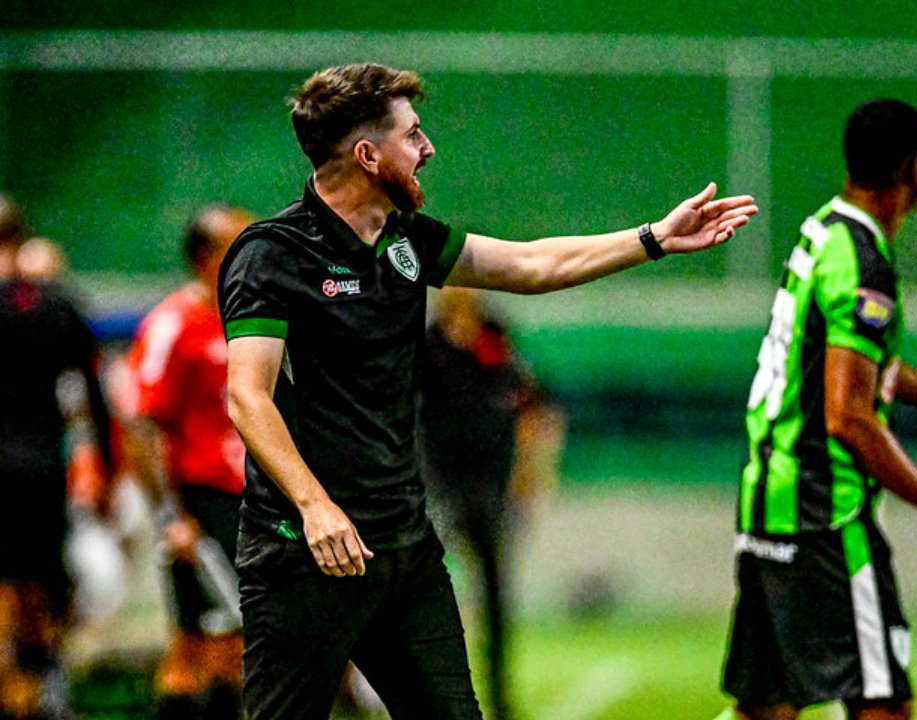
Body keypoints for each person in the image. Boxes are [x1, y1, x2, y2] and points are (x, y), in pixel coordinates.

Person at [218, 62, 756, 720]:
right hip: (304, 556)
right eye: (412, 135)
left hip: (403, 551)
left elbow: (531, 264)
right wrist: (314, 505)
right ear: (367, 154)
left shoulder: (406, 239)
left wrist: (653, 239)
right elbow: (249, 397)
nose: (427, 149)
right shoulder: (271, 255)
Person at [716, 99, 917, 720]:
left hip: (768, 508)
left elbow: (848, 367)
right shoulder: (864, 263)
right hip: (824, 519)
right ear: (916, 168)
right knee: (884, 704)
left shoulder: (823, 234)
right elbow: (849, 414)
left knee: (766, 710)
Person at [124, 205, 255, 719]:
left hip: (246, 497)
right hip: (202, 499)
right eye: (237, 246)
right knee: (205, 643)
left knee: (224, 644)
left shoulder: (247, 320)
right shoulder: (173, 324)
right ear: (206, 258)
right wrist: (170, 515)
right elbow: (141, 424)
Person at [419, 287, 563, 720]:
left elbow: (534, 407)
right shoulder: (427, 346)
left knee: (496, 599)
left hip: (490, 488)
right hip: (438, 487)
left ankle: (500, 697)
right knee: (422, 594)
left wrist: (532, 474)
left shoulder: (496, 338)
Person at [0, 193, 113, 719]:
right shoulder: (56, 304)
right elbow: (95, 393)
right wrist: (107, 467)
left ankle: (17, 690)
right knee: (41, 580)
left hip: (16, 467)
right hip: (42, 467)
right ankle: (44, 686)